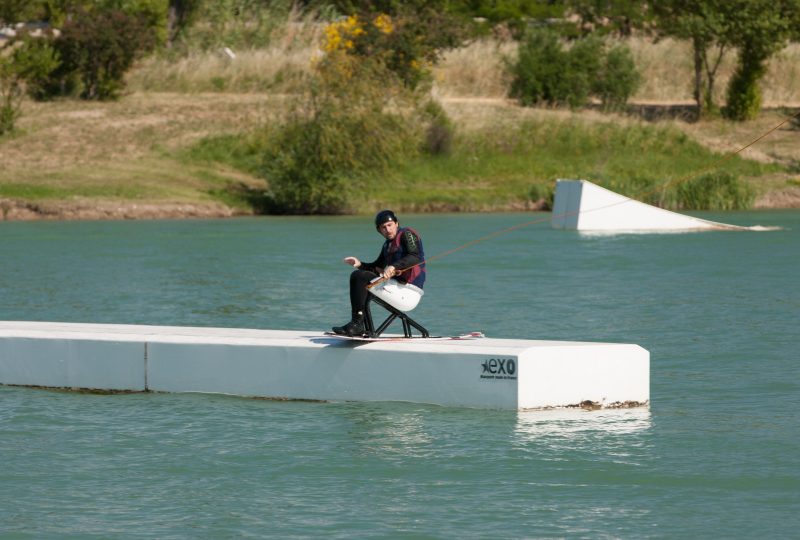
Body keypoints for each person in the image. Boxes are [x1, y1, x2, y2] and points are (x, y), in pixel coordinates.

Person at [332, 210, 426, 336]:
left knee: (360, 277)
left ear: (396, 224)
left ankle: (357, 324)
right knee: (359, 275)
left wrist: (393, 266)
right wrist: (360, 264)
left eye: (390, 225)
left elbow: (415, 256)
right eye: (383, 227)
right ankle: (358, 324)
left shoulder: (407, 233)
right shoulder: (387, 245)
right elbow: (377, 267)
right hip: (396, 288)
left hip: (409, 293)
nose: (387, 229)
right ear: (379, 230)